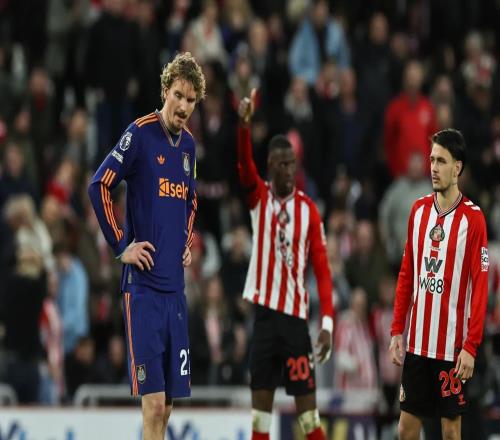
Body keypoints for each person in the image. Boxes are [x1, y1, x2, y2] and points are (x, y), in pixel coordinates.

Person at [88, 52, 205, 440]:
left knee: (167, 406)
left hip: (176, 292)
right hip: (143, 291)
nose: (184, 106)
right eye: (178, 95)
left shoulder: (188, 147)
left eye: (191, 100)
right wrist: (121, 245)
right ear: (164, 91)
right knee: (153, 405)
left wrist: (186, 241)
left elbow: (190, 200)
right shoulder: (139, 133)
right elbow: (99, 185)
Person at [237, 89, 335, 440]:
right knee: (260, 421)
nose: (290, 170)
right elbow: (243, 165)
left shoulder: (309, 210)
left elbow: (322, 270)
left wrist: (327, 323)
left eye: (292, 163)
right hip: (264, 320)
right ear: (270, 167)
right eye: (282, 164)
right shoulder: (259, 198)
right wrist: (244, 127)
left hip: (295, 323)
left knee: (309, 420)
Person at [389, 129, 489, 440]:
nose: (433, 167)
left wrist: (470, 347)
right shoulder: (418, 211)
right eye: (432, 160)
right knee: (406, 430)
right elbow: (407, 274)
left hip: (451, 349)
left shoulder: (473, 220)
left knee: (450, 431)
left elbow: (481, 288)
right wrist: (397, 329)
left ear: (457, 168)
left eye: (441, 161)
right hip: (418, 345)